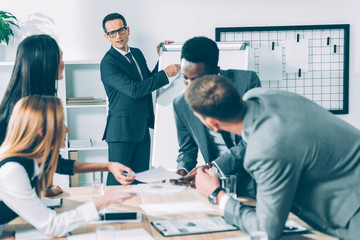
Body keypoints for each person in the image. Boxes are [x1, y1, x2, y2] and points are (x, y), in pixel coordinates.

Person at [186, 75, 360, 240]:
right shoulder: (259, 96)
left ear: (212, 124)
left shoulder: (265, 151)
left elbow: (266, 232)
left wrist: (216, 194)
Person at [0, 35, 135, 196]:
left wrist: (109, 166)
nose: (63, 63)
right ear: (45, 64)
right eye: (60, 58)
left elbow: (55, 163)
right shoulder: (23, 112)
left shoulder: (39, 104)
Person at [0, 95, 136, 237]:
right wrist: (105, 200)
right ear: (41, 133)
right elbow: (53, 226)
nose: (67, 129)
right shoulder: (13, 169)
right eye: (60, 124)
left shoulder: (30, 160)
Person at [172, 36, 260, 198]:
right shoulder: (180, 103)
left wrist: (215, 167)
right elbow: (187, 149)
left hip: (253, 178)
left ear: (215, 73)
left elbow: (252, 138)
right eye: (185, 78)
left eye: (196, 80)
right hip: (215, 182)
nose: (190, 87)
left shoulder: (246, 83)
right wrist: (182, 171)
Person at [100, 13, 180, 185]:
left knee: (141, 182)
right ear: (107, 37)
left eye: (121, 30)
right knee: (119, 183)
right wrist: (165, 73)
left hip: (142, 129)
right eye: (112, 33)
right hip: (121, 133)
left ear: (128, 30)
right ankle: (115, 213)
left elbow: (147, 82)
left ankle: (137, 213)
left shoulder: (137, 53)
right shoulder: (108, 63)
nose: (118, 36)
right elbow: (134, 90)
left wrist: (162, 57)